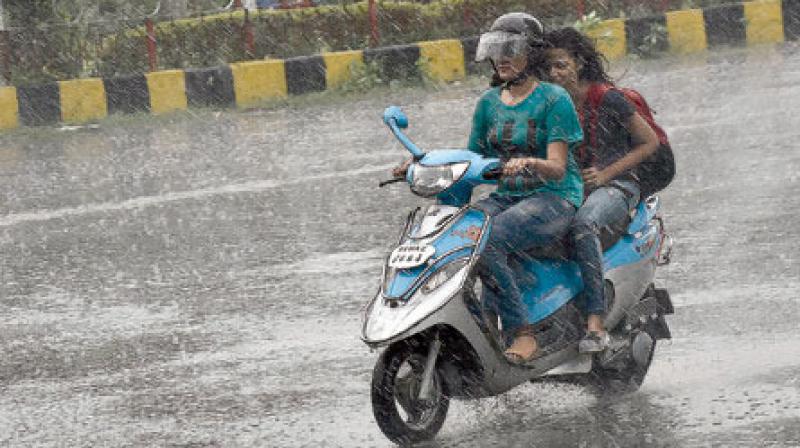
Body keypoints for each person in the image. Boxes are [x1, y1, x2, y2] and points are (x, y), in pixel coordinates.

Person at [463, 12, 584, 363]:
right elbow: (472, 160)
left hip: (553, 197)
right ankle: (481, 328)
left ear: (531, 55)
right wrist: (421, 163)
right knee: (459, 235)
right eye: (496, 50)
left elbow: (559, 169)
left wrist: (531, 162)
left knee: (491, 239)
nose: (501, 59)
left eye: (510, 50)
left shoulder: (553, 99)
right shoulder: (487, 104)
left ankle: (523, 333)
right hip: (506, 197)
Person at [544, 27, 659, 352]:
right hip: (577, 186)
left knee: (584, 224)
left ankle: (595, 324)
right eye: (549, 67)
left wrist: (608, 173)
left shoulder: (608, 98)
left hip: (620, 185)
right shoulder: (554, 104)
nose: (554, 73)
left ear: (579, 63)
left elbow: (649, 142)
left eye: (561, 65)